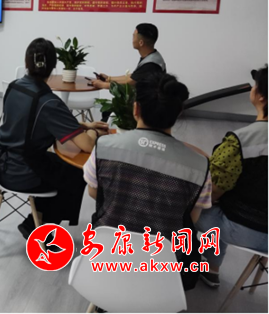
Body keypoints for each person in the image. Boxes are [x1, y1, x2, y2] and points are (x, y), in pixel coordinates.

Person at [83, 72, 212, 290]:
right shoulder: (199, 166)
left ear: (136, 109)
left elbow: (94, 192)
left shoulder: (104, 147)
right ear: (178, 113)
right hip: (163, 271)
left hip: (106, 257)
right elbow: (192, 217)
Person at [0, 38, 109, 239]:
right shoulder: (48, 102)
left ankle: (35, 220)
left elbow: (29, 120)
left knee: (59, 166)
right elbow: (87, 145)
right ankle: (41, 228)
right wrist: (95, 132)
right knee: (77, 173)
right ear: (54, 67)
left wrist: (83, 126)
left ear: (26, 62)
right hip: (22, 171)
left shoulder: (14, 87)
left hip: (1, 162)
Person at [196, 65, 268, 288]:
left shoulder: (241, 140)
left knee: (196, 206)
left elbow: (214, 191)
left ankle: (199, 266)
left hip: (250, 230)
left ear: (260, 96)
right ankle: (211, 270)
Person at [92, 23, 166, 90]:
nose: (132, 39)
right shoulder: (152, 56)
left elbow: (130, 82)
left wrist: (103, 85)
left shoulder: (151, 64)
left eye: (134, 36)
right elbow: (133, 77)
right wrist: (109, 78)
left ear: (141, 43)